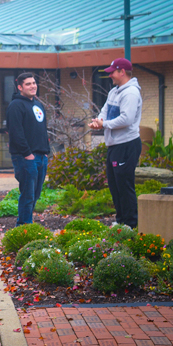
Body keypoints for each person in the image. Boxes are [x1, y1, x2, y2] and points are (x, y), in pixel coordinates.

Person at [88, 58, 142, 228]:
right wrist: (99, 120)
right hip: (114, 145)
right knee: (114, 184)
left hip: (126, 145)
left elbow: (127, 119)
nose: (109, 74)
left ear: (122, 72)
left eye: (112, 71)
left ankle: (131, 224)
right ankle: (120, 221)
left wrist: (104, 124)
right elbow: (105, 110)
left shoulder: (131, 92)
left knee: (124, 185)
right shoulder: (114, 91)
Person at [7, 72, 51, 226]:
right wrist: (27, 154)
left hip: (40, 156)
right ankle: (24, 226)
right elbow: (16, 132)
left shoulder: (38, 105)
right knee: (28, 195)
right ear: (20, 87)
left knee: (36, 194)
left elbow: (42, 130)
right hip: (25, 158)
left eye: (34, 83)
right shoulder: (16, 106)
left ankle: (26, 225)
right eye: (28, 84)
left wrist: (46, 152)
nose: (33, 86)